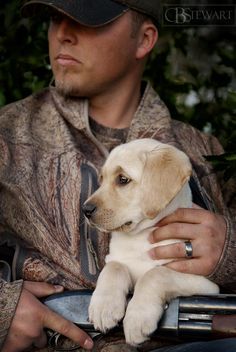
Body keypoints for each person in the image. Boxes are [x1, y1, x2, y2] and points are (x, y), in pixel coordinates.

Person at [0, 0, 235, 351]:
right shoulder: (5, 135)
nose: (62, 34)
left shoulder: (207, 153)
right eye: (54, 19)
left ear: (144, 40)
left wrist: (231, 252)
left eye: (86, 20)